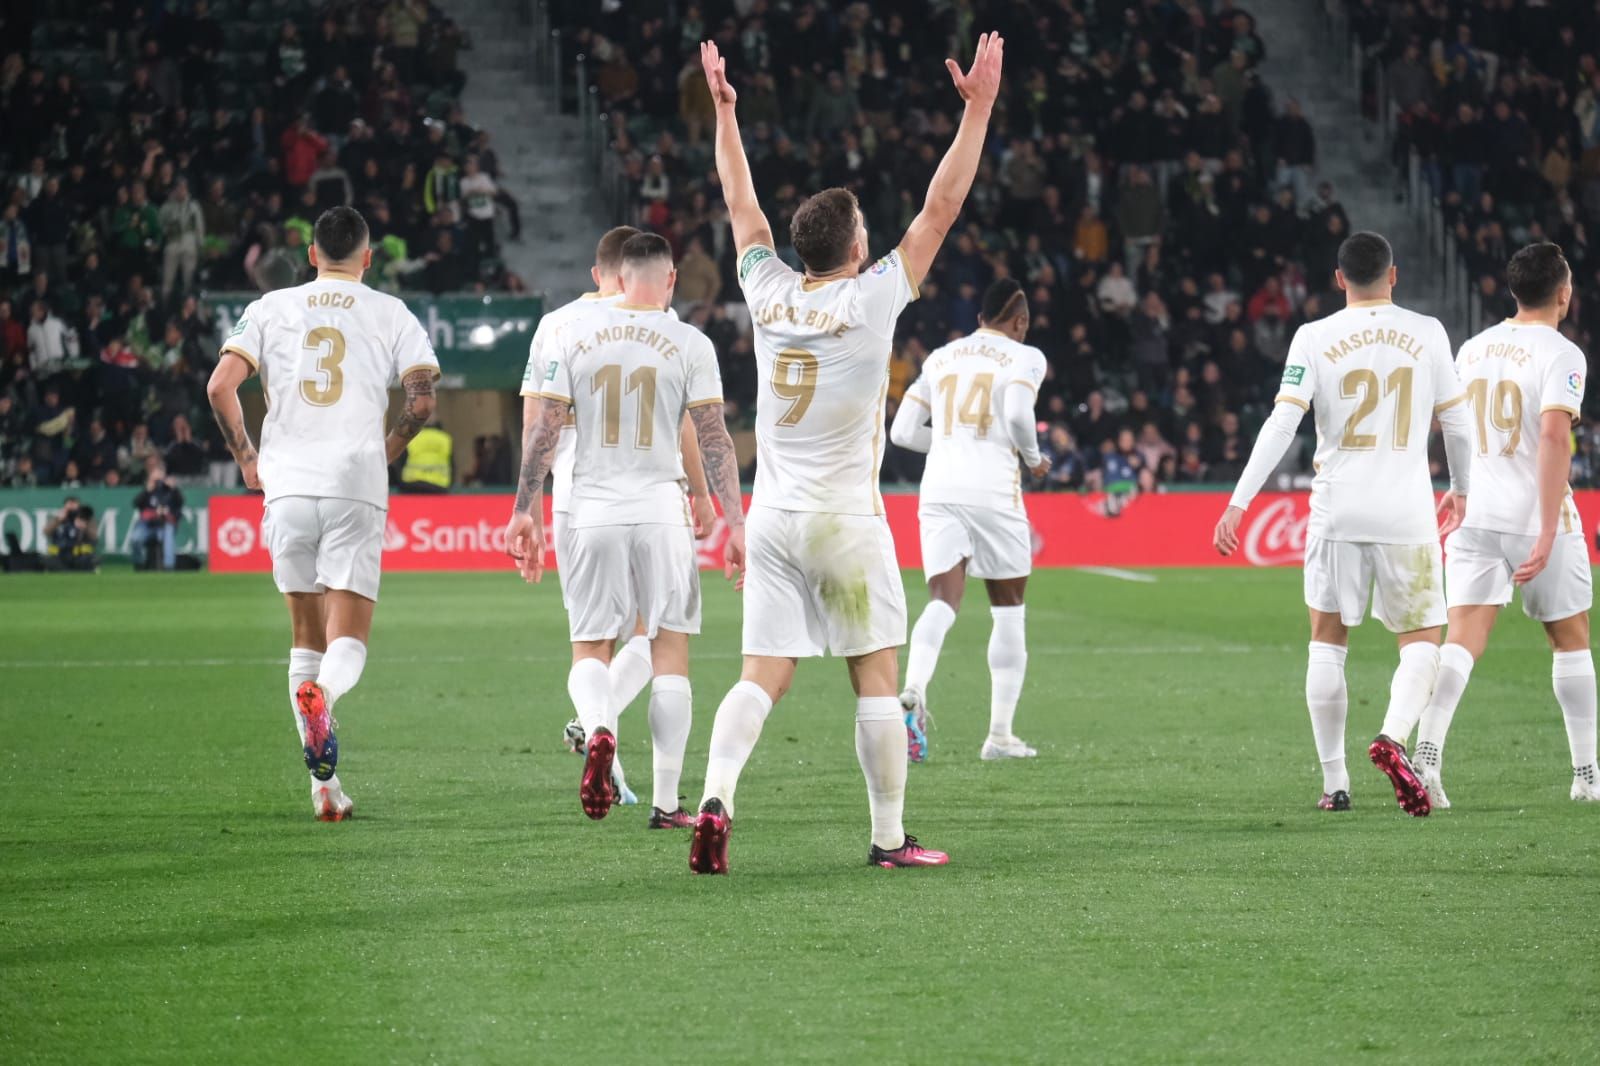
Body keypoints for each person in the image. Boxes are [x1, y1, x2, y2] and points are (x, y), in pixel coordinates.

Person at [685, 33, 1004, 874]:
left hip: (775, 516)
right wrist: (976, 111)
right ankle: (890, 838)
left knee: (762, 674)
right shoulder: (872, 300)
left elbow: (740, 203)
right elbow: (941, 208)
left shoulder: (768, 287)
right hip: (846, 521)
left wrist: (726, 115)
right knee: (874, 676)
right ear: (857, 248)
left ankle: (716, 797)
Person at [1213, 231, 1475, 817]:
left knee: (1327, 644)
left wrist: (1239, 500)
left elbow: (1283, 424)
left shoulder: (1314, 335)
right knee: (1421, 641)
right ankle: (1393, 735)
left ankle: (1335, 785)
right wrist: (1460, 490)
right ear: (1394, 275)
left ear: (1339, 279)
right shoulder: (1428, 331)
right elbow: (1457, 426)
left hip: (1337, 509)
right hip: (1407, 510)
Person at [207, 206, 440, 822]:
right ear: (368, 258)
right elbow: (421, 399)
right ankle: (326, 698)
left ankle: (325, 790)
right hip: (354, 482)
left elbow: (219, 386)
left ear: (312, 255)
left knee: (304, 640)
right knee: (348, 642)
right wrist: (385, 452)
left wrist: (248, 459)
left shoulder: (269, 308)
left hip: (285, 485)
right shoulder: (390, 312)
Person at [505, 233, 746, 829]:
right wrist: (729, 514)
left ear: (612, 276)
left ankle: (600, 726)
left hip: (588, 506)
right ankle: (667, 804)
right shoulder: (688, 340)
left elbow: (544, 429)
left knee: (590, 644)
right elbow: (712, 436)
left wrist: (523, 506)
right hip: (660, 507)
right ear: (669, 281)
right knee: (669, 650)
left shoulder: (570, 331)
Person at [1413, 243, 1599, 806]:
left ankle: (1427, 756)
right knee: (1569, 640)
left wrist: (1457, 487)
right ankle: (1587, 775)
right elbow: (1552, 437)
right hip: (1532, 514)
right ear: (1564, 293)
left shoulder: (1472, 348)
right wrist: (1546, 531)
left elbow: (1451, 424)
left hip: (1475, 514)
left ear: (1515, 291)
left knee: (1463, 640)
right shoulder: (1563, 354)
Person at [889, 278, 1050, 762]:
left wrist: (946, 444)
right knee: (1008, 608)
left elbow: (900, 432)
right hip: (993, 492)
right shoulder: (1027, 357)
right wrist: (1034, 457)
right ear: (1019, 322)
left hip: (938, 490)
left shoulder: (941, 357)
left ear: (980, 318)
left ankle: (914, 686)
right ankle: (999, 736)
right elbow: (1021, 414)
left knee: (943, 599)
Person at [132, 466, 184, 571]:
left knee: (168, 535)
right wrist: (146, 491)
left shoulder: (170, 490)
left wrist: (174, 489)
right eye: (155, 475)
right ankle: (139, 564)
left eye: (160, 475)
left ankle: (169, 566)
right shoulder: (148, 490)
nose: (158, 479)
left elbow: (180, 503)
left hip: (165, 523)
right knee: (135, 538)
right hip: (148, 524)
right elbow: (136, 503)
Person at [399, 416, 452, 492]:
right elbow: (452, 465)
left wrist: (401, 485)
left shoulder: (410, 437)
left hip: (412, 486)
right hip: (439, 487)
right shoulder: (445, 439)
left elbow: (400, 462)